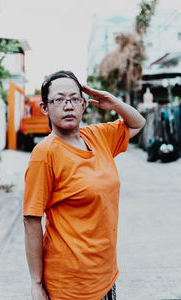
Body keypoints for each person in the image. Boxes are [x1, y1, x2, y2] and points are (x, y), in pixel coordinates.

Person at [23, 70, 146, 300]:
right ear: (45, 108)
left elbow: (138, 123)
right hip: (70, 284)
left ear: (84, 104)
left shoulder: (98, 136)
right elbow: (31, 219)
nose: (68, 105)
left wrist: (114, 103)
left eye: (74, 99)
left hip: (105, 274)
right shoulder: (45, 153)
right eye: (59, 99)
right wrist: (36, 284)